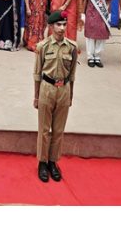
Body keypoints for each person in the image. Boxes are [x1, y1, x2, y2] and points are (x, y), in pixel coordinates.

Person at [33, 10, 78, 183]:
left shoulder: (72, 47)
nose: (61, 28)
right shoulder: (42, 46)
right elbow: (37, 73)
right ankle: (42, 163)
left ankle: (53, 162)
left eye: (64, 24)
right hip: (47, 88)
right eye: (58, 25)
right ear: (51, 27)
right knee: (44, 130)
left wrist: (71, 95)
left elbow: (72, 74)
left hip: (64, 89)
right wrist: (36, 96)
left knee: (58, 130)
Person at [82, 0, 113, 67]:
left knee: (101, 36)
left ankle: (97, 57)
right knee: (90, 36)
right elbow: (84, 0)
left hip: (103, 15)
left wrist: (109, 14)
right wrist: (82, 14)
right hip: (91, 13)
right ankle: (90, 57)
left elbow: (109, 1)